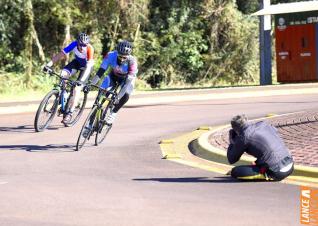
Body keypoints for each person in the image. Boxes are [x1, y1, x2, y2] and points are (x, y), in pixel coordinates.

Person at [43, 32, 94, 123]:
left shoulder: (89, 49)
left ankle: (70, 112)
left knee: (77, 88)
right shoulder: (74, 44)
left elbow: (89, 66)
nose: (82, 47)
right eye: (81, 45)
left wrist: (81, 82)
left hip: (86, 67)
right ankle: (64, 95)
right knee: (63, 74)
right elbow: (60, 54)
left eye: (84, 45)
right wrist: (49, 64)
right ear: (77, 43)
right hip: (77, 63)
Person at [227, 114, 294, 181]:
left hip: (277, 172)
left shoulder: (243, 137)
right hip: (290, 163)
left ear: (235, 128)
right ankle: (262, 167)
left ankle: (266, 174)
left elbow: (231, 159)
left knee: (235, 171)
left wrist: (232, 142)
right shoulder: (263, 124)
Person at [90, 40, 138, 125]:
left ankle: (113, 113)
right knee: (100, 94)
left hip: (126, 79)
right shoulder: (111, 55)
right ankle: (89, 124)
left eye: (125, 57)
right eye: (120, 57)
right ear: (117, 53)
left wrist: (118, 97)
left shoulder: (132, 62)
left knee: (126, 94)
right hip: (113, 76)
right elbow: (100, 72)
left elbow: (127, 84)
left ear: (129, 55)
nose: (122, 59)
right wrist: (91, 84)